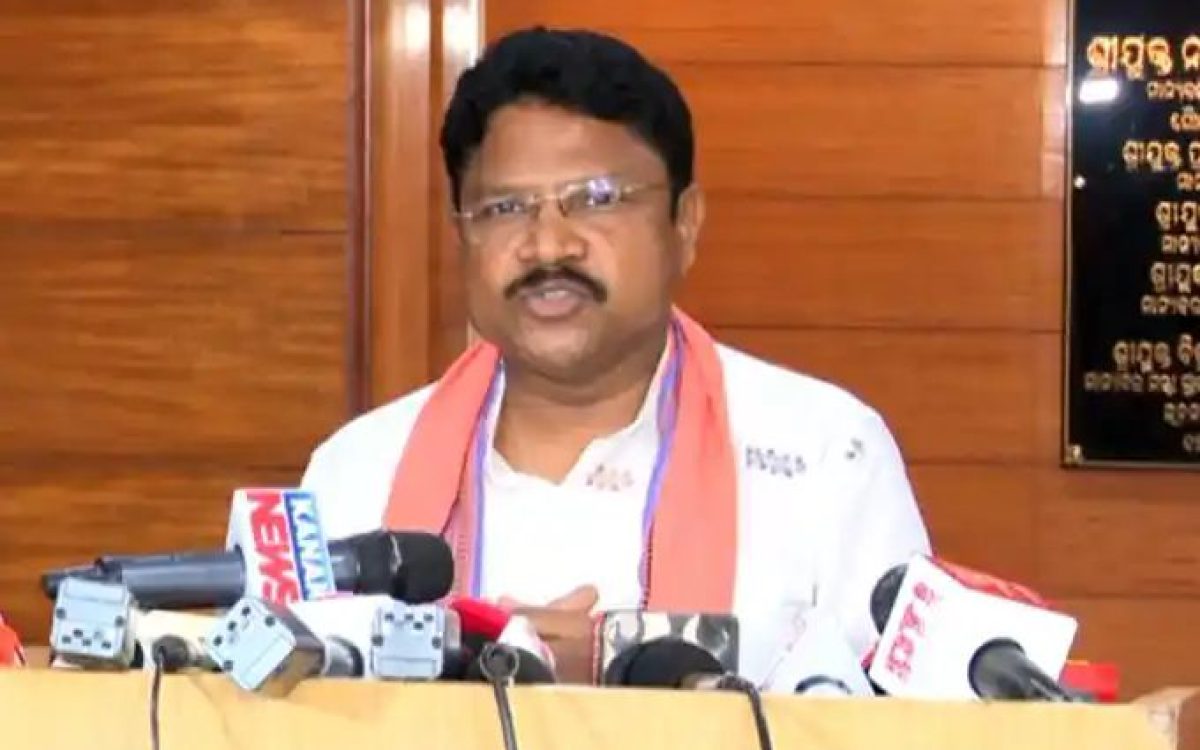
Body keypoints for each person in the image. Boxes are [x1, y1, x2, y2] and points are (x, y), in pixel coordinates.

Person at [301, 26, 929, 687]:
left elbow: (906, 723)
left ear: (684, 224)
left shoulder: (827, 457)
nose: (548, 246)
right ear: (462, 234)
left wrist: (617, 684)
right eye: (505, 207)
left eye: (596, 199)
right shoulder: (357, 472)